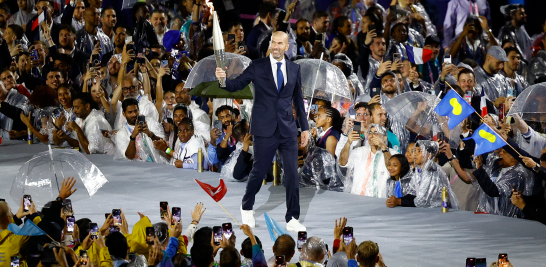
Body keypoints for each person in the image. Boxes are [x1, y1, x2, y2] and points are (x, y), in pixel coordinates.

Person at [216, 31, 309, 231]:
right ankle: (246, 207)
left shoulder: (294, 69)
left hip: (287, 129)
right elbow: (236, 84)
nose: (275, 46)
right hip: (265, 129)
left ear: (286, 46)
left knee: (292, 174)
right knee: (258, 171)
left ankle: (292, 218)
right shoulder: (257, 66)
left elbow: (298, 102)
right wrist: (223, 80)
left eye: (279, 43)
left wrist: (305, 128)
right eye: (273, 43)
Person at [339, 124, 396, 198]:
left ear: (384, 138)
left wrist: (384, 147)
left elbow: (392, 170)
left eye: (376, 133)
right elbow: (342, 162)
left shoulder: (393, 154)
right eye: (370, 133)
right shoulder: (359, 151)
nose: (372, 135)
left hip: (380, 200)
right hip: (357, 198)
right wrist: (348, 142)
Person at [113, 98, 167, 163]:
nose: (134, 114)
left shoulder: (151, 122)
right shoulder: (121, 134)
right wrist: (133, 136)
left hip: (158, 164)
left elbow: (164, 144)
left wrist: (151, 135)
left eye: (136, 111)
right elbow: (130, 156)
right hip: (138, 170)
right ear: (124, 114)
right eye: (130, 112)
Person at [409, 140, 459, 209]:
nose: (415, 154)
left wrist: (400, 201)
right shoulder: (419, 170)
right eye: (415, 150)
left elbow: (422, 201)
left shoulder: (432, 171)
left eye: (419, 151)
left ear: (429, 155)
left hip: (436, 211)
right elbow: (412, 191)